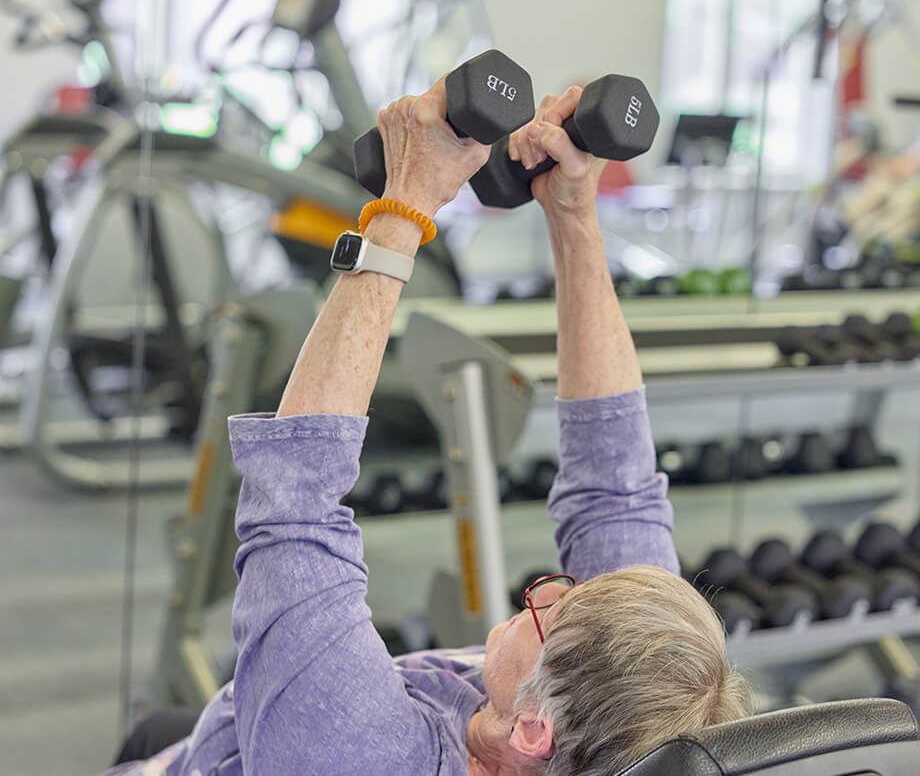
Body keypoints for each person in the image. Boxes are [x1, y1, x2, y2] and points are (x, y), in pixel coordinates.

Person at [105, 79, 751, 776]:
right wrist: (573, 214)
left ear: (533, 732)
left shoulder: (358, 756)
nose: (556, 586)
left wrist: (405, 203)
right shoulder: (628, 704)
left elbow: (294, 502)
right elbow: (614, 490)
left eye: (551, 613)